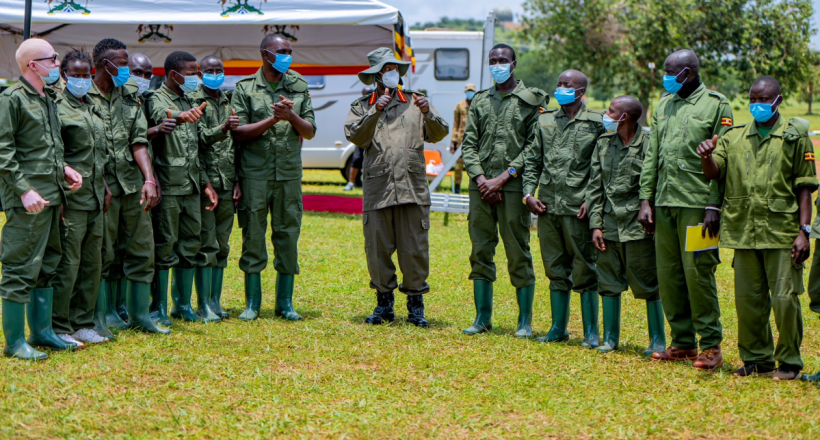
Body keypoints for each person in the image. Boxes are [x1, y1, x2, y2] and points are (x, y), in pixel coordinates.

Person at [697, 77, 816, 380]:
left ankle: (789, 363)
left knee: (784, 300)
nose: (757, 105)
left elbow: (804, 188)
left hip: (782, 232)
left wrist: (805, 231)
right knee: (748, 301)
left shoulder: (794, 136)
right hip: (744, 230)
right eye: (753, 99)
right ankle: (757, 360)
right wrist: (707, 156)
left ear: (777, 100)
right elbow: (716, 173)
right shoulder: (733, 137)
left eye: (764, 99)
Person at [638, 49, 734, 370]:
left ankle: (710, 346)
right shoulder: (664, 104)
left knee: (698, 274)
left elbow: (723, 159)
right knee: (669, 276)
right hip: (665, 203)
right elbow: (652, 156)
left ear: (689, 73)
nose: (666, 76)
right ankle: (682, 343)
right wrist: (645, 200)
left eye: (671, 71)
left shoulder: (717, 105)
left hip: (698, 205)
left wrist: (713, 205)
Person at [344, 47, 449, 327]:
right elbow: (356, 136)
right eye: (386, 69)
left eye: (394, 69)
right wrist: (375, 112)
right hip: (378, 188)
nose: (392, 74)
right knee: (377, 248)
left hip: (412, 188)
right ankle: (384, 304)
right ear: (376, 75)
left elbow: (439, 134)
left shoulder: (416, 102)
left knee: (414, 248)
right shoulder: (362, 105)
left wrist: (428, 113)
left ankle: (416, 304)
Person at [0, 38, 84, 359]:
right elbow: (4, 152)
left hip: (51, 195)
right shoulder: (12, 99)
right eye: (52, 59)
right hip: (28, 199)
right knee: (21, 266)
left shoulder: (47, 97)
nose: (57, 64)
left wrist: (64, 169)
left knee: (47, 265)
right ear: (33, 65)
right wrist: (23, 190)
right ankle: (14, 342)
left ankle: (42, 332)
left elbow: (43, 147)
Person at [461, 44, 546, 337]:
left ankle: (524, 322)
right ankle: (482, 318)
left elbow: (534, 146)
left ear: (514, 64)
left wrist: (504, 177)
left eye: (503, 60)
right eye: (493, 60)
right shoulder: (481, 101)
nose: (497, 64)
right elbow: (468, 143)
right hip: (480, 188)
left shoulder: (530, 100)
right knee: (480, 249)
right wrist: (482, 178)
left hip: (512, 188)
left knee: (518, 250)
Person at [231, 34, 316, 321]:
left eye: (290, 51)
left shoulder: (299, 85)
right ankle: (252, 303)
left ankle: (285, 304)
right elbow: (238, 132)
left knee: (288, 234)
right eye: (282, 51)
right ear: (265, 54)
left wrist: (291, 117)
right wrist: (273, 119)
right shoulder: (245, 87)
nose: (287, 56)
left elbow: (310, 131)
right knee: (253, 234)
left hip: (288, 174)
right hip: (255, 174)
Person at [88, 38, 166, 334]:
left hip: (132, 185)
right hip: (100, 187)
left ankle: (139, 316)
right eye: (122, 63)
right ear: (104, 64)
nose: (126, 69)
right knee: (103, 253)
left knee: (142, 250)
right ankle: (104, 316)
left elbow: (139, 139)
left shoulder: (130, 93)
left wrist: (148, 178)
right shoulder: (82, 96)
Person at [523, 69, 604, 347]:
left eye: (567, 85)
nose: (560, 88)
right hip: (547, 207)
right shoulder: (545, 121)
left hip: (578, 208)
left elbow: (601, 166)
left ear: (580, 91)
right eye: (558, 84)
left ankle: (591, 332)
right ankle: (558, 328)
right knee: (555, 269)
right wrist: (527, 194)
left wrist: (591, 201)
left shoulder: (596, 122)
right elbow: (533, 161)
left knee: (585, 269)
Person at [146, 50, 226, 324]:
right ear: (173, 74)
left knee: (191, 245)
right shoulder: (156, 98)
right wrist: (180, 116)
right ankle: (158, 307)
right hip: (168, 186)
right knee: (165, 246)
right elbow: (160, 117)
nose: (198, 78)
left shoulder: (192, 99)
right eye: (192, 73)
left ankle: (182, 305)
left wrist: (205, 183)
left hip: (192, 186)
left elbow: (196, 150)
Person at [587, 95, 665, 354]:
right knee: (608, 282)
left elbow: (654, 184)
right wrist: (595, 225)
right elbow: (595, 186)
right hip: (609, 224)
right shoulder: (603, 143)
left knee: (648, 283)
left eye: (611, 111)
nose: (606, 115)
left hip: (638, 226)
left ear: (625, 117)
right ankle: (610, 338)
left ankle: (657, 340)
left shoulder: (649, 144)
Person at [51, 48, 112, 347]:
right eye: (75, 75)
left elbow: (99, 154)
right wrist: (60, 192)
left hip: (95, 197)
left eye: (85, 75)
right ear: (63, 75)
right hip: (71, 198)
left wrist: (105, 186)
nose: (81, 80)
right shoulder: (56, 106)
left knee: (93, 262)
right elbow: (54, 153)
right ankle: (59, 324)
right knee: (69, 263)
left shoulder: (92, 106)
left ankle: (83, 322)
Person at [189, 55, 241, 320]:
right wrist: (222, 128)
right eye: (209, 70)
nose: (215, 74)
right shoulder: (194, 100)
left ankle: (216, 301)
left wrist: (238, 181)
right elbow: (197, 141)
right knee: (205, 244)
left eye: (219, 70)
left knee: (222, 245)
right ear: (200, 72)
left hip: (227, 181)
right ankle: (202, 305)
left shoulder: (230, 100)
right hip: (205, 182)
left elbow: (237, 144)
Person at [343, 87, 373, 191]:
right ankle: (351, 183)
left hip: (372, 138)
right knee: (356, 159)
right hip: (361, 138)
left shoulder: (376, 105)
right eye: (367, 93)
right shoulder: (360, 105)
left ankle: (368, 183)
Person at [450, 83, 475, 194]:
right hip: (461, 141)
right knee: (458, 167)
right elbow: (455, 124)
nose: (470, 93)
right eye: (468, 91)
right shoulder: (459, 106)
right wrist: (453, 141)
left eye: (471, 91)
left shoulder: (477, 106)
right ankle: (457, 189)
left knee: (473, 167)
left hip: (474, 142)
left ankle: (473, 189)